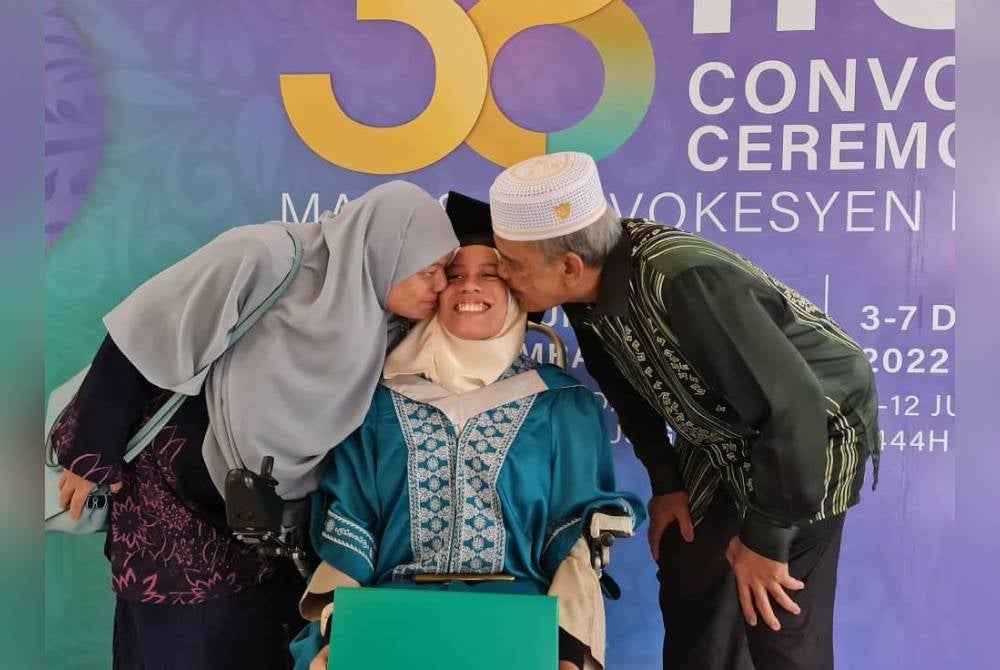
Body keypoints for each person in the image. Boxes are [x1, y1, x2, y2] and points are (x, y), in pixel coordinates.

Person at [486, 152, 880, 670]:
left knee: (776, 618)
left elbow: (793, 407)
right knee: (690, 575)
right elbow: (625, 387)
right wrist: (667, 483)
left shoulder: (683, 279)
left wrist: (765, 541)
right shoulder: (585, 291)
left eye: (511, 263)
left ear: (568, 266)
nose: (502, 276)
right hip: (722, 434)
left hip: (811, 435)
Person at [50, 181, 459, 670]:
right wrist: (91, 452)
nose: (441, 286)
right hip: (177, 508)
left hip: (277, 528)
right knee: (178, 648)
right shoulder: (264, 256)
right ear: (386, 249)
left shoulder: (383, 319)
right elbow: (142, 336)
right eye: (430, 270)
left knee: (262, 646)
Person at [290, 194, 645, 670]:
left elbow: (573, 533)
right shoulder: (380, 402)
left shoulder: (560, 403)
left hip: (517, 621)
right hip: (391, 616)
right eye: (453, 276)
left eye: (490, 275)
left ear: (517, 291)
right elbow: (353, 520)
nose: (467, 288)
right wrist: (338, 631)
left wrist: (568, 645)